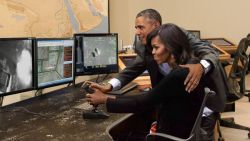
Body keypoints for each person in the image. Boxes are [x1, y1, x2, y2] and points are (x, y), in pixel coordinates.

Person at [87, 9, 226, 140]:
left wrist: (202, 66)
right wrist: (110, 86)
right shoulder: (145, 46)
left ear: (156, 26)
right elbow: (135, 68)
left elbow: (142, 101)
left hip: (199, 110)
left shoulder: (178, 43)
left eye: (140, 27)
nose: (136, 32)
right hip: (177, 113)